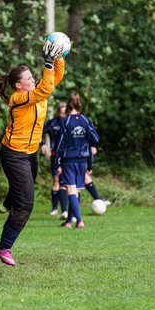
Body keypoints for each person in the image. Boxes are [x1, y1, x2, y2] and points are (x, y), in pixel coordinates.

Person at [0, 42, 65, 266]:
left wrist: (59, 57)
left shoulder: (36, 92)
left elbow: (52, 81)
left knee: (23, 188)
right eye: (29, 78)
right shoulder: (19, 99)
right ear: (19, 86)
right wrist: (48, 63)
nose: (33, 79)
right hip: (14, 154)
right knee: (25, 203)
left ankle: (8, 202)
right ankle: (4, 248)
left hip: (30, 153)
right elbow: (46, 87)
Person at [56, 92, 99, 229]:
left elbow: (60, 145)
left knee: (71, 190)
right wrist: (90, 164)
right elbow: (95, 139)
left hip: (68, 161)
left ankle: (79, 221)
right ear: (79, 104)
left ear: (68, 105)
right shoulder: (86, 121)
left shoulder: (65, 121)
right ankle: (69, 221)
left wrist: (57, 162)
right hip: (82, 161)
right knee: (77, 190)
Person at [40, 103, 68, 219]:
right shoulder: (52, 123)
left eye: (65, 113)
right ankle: (55, 208)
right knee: (56, 182)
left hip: (68, 157)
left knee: (66, 183)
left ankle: (65, 210)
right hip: (55, 156)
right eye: (61, 112)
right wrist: (42, 144)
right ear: (58, 112)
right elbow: (39, 132)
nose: (63, 115)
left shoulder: (69, 122)